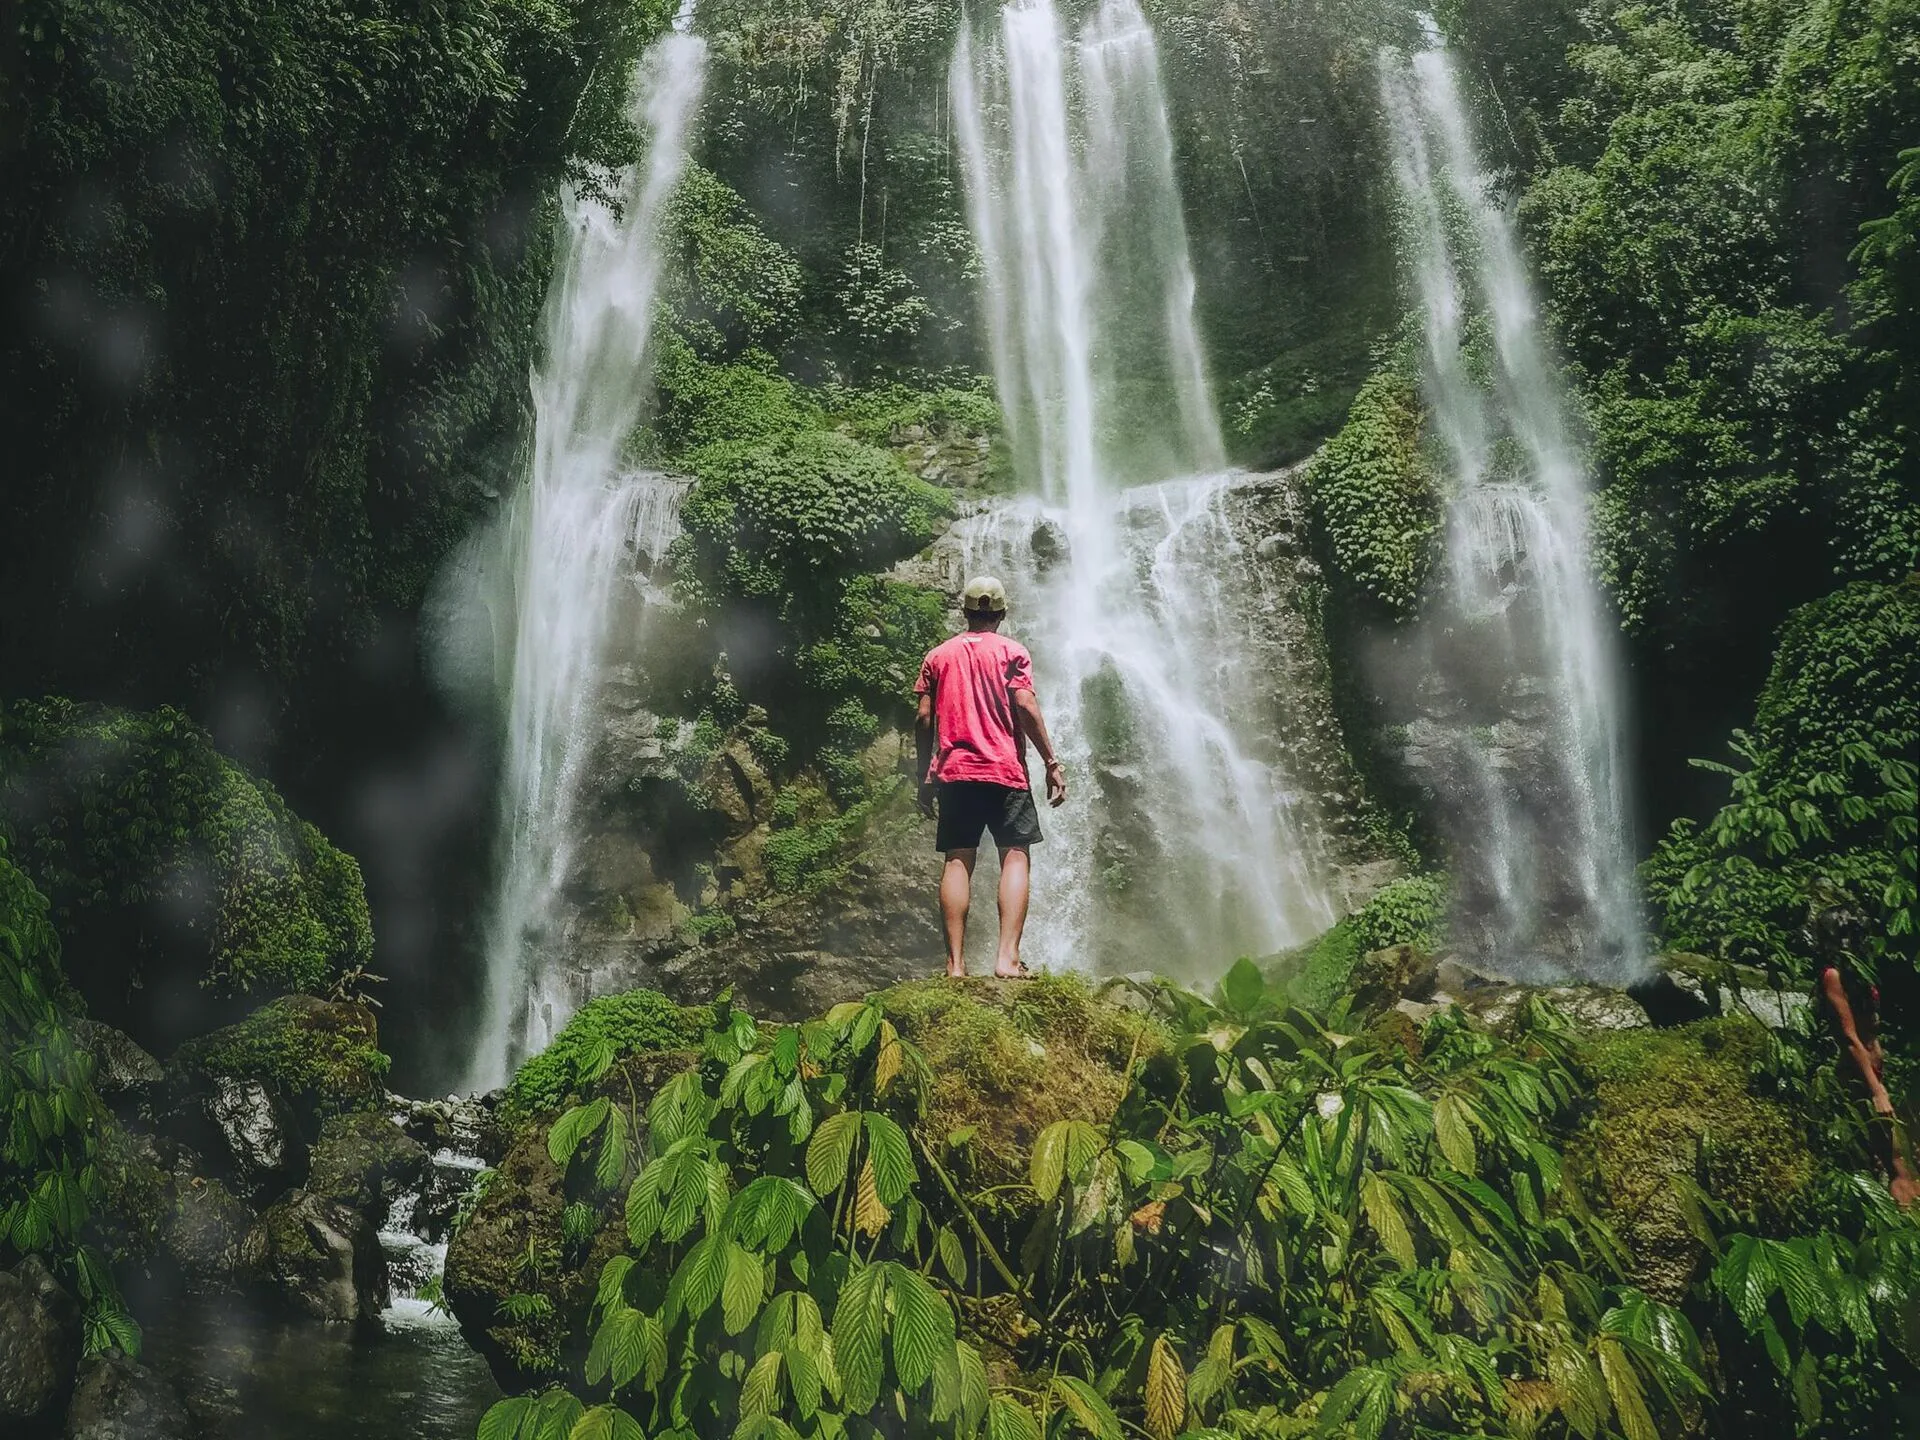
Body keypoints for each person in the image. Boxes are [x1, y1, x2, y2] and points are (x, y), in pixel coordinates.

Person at [914, 576, 1067, 979]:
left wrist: (922, 774)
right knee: (1015, 854)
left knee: (958, 858)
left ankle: (955, 966)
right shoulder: (1012, 652)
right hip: (1004, 771)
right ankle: (1007, 959)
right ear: (1001, 613)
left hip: (955, 772)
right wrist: (1051, 761)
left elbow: (924, 717)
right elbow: (1025, 704)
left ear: (964, 611)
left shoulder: (938, 656)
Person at [1810, 903, 1918, 1208]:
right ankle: (1901, 1223)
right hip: (1858, 1073)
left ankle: (1901, 1219)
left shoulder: (1857, 969)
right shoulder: (1833, 975)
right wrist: (1877, 1089)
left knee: (1891, 1155)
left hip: (1874, 1068)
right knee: (1895, 1158)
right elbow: (1850, 1038)